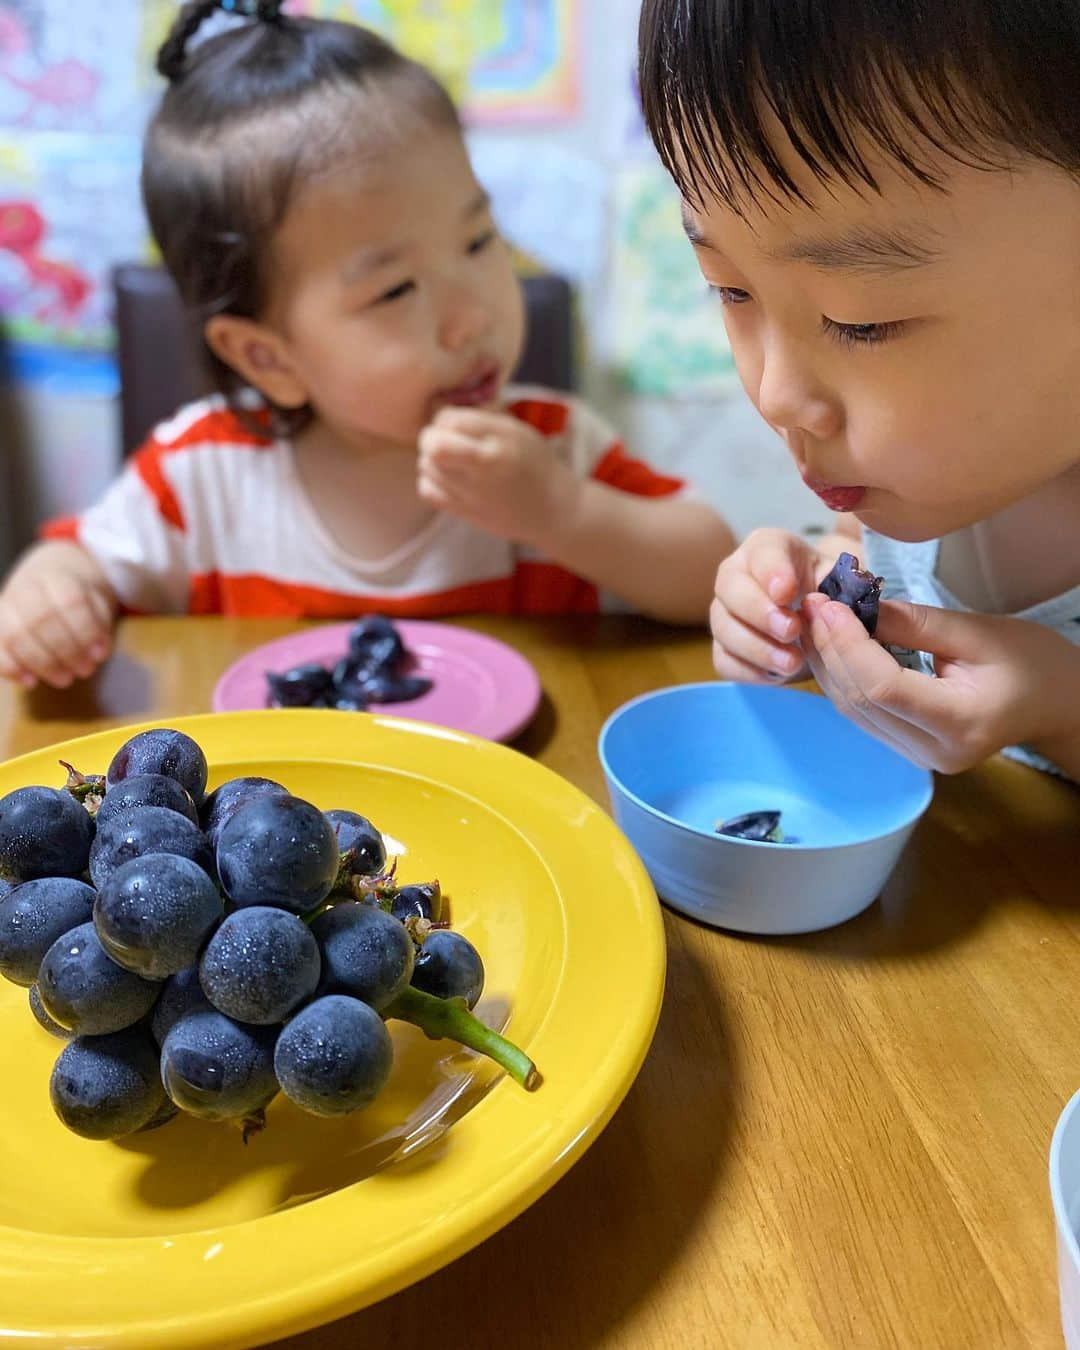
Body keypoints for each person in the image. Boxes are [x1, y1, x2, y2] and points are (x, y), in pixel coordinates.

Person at [0, 1, 734, 691]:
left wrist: (559, 512)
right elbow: (78, 563)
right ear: (267, 358)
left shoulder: (550, 448)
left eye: (480, 242)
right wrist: (54, 596)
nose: (471, 316)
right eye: (393, 291)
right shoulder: (199, 478)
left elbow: (710, 574)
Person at [637, 0, 1080, 779]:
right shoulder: (929, 482)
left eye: (861, 322)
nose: (774, 397)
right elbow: (877, 562)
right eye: (730, 289)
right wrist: (804, 593)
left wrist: (1064, 710)